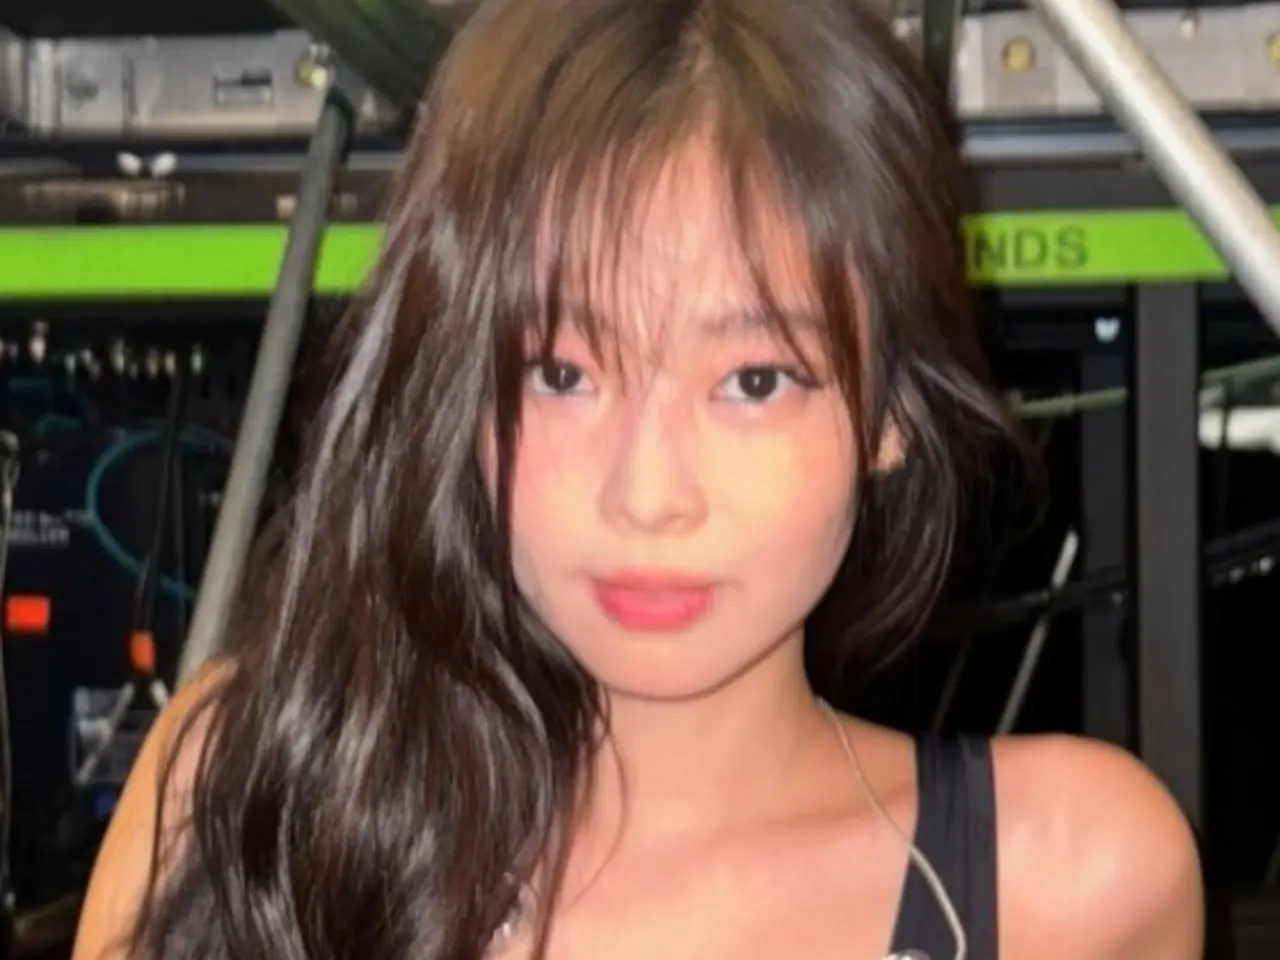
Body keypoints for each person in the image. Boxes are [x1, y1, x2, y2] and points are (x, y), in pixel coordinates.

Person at [72, 1, 1203, 958]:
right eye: (562, 372)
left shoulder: (1066, 879)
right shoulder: (241, 793)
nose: (649, 493)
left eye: (754, 381)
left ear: (891, 417)